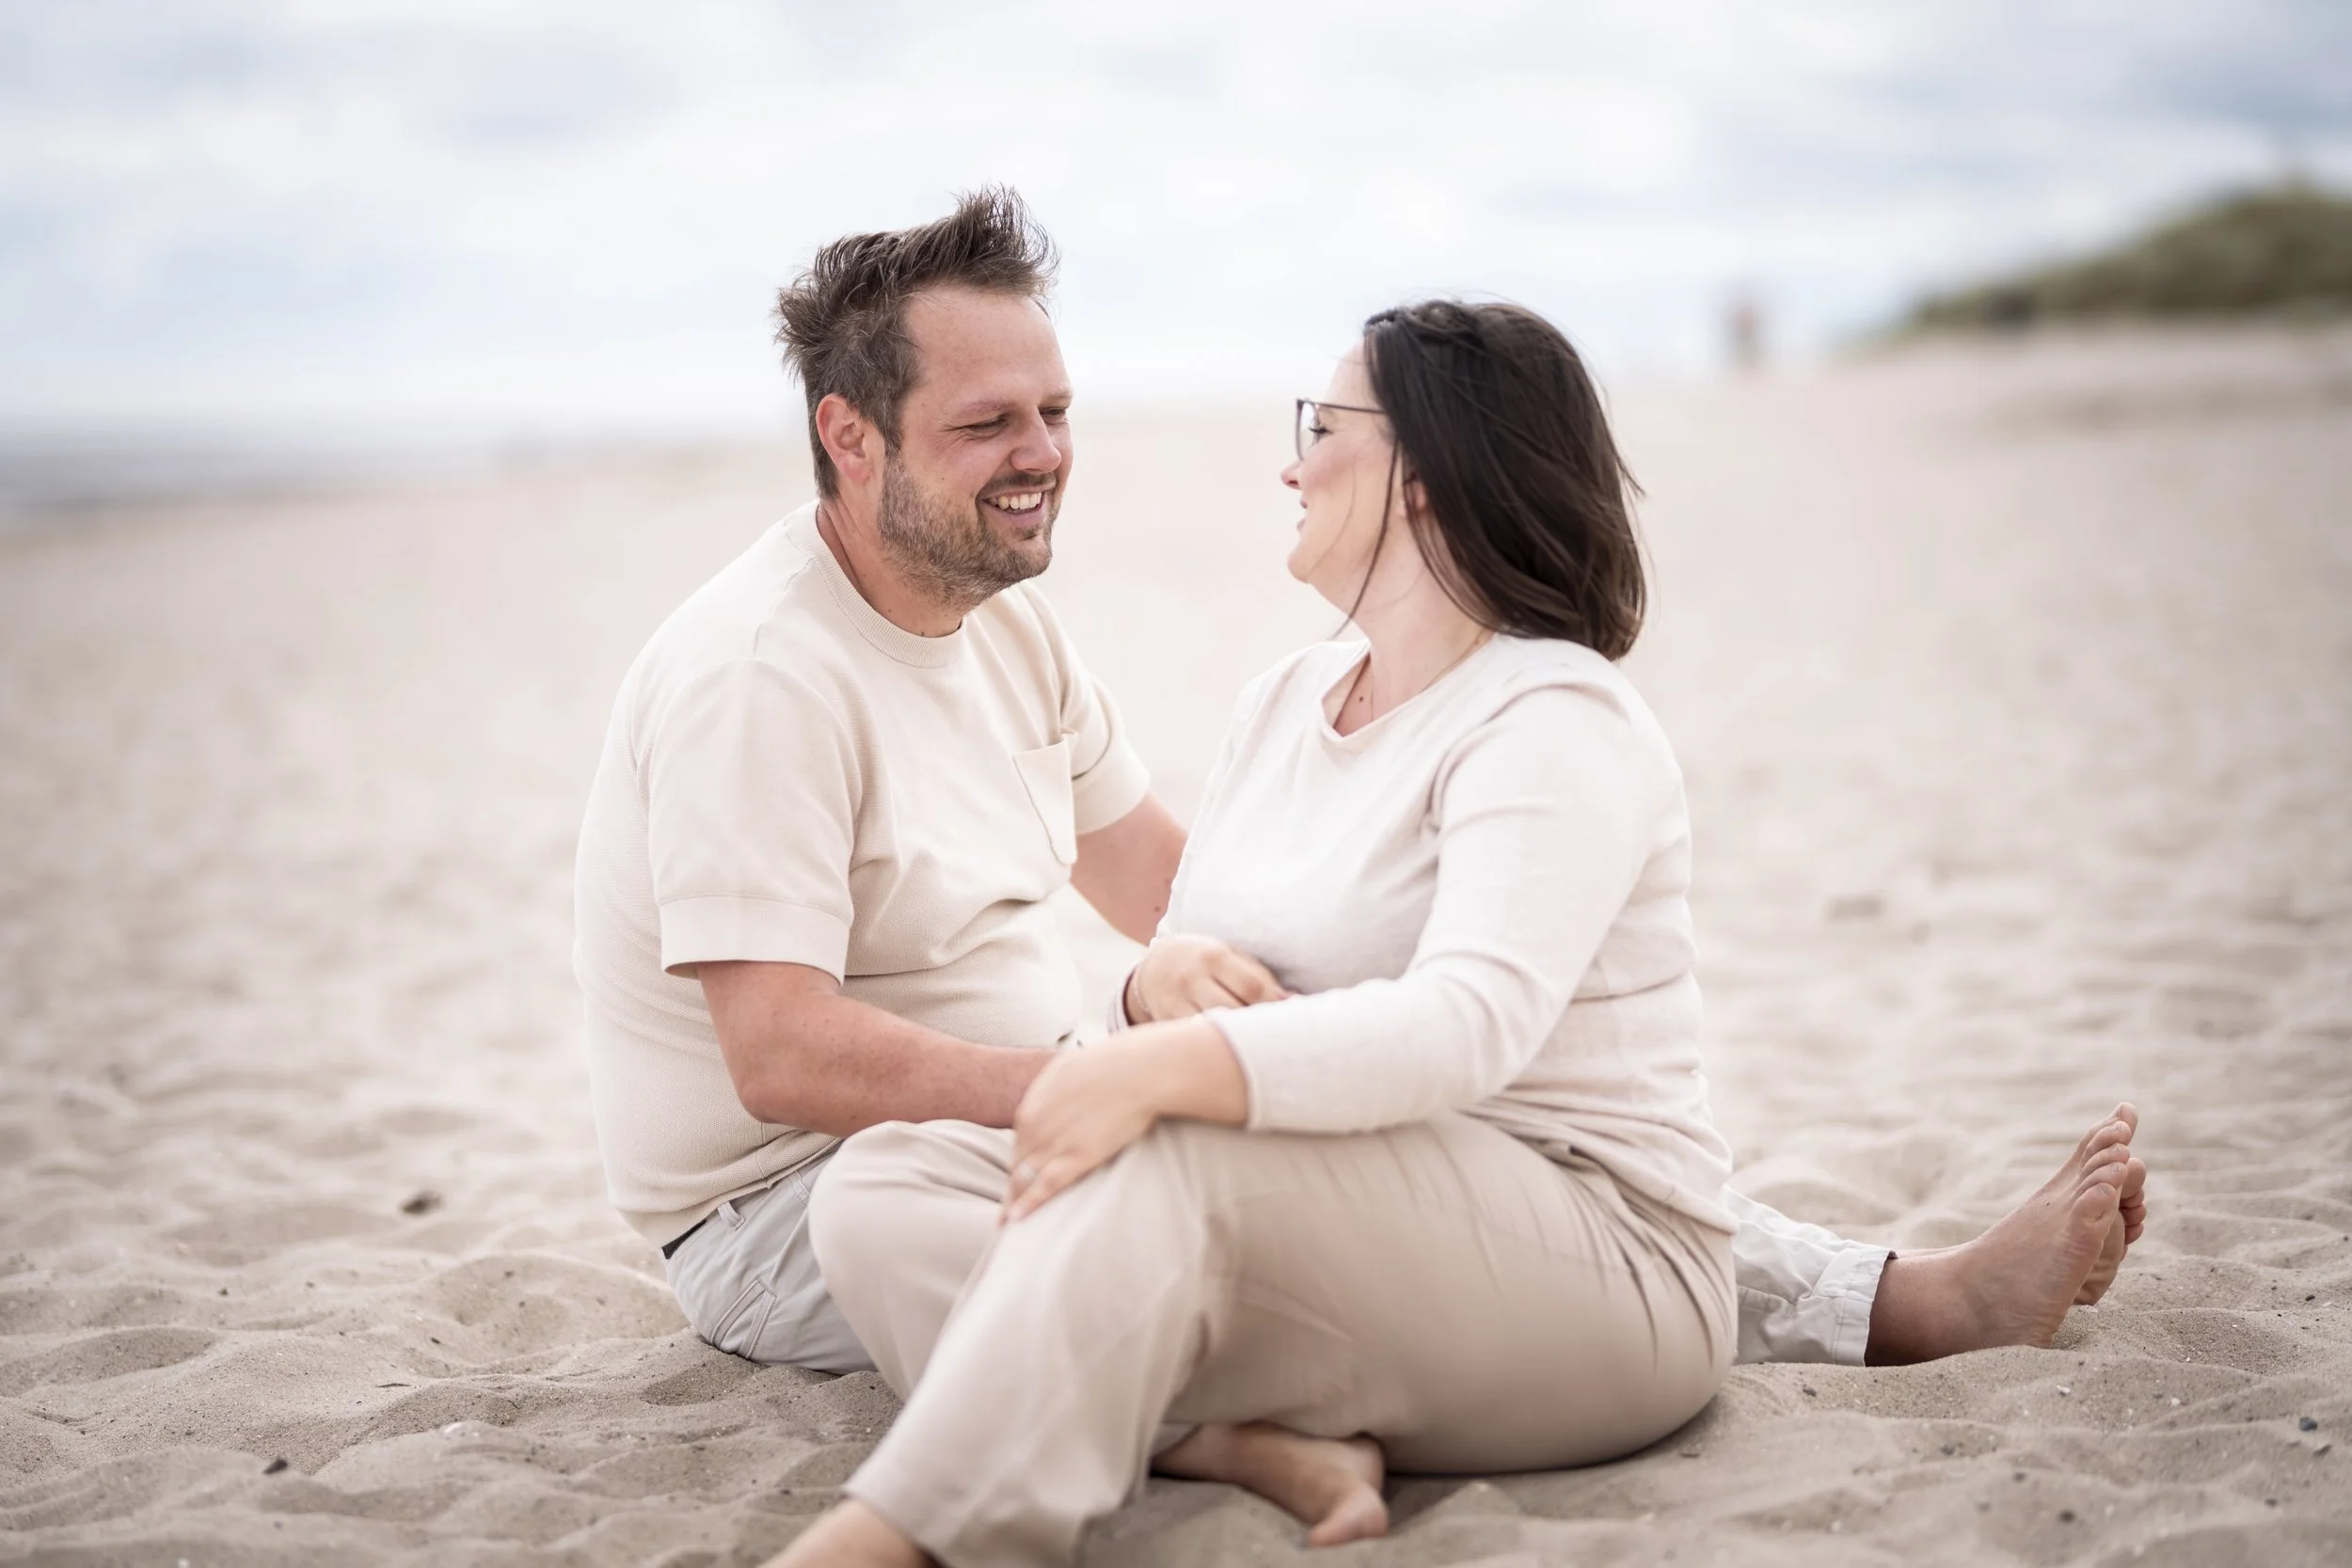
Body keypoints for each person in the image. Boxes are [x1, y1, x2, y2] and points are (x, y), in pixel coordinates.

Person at [568, 190, 2147, 1547]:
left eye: (1055, 409)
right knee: (947, 1189)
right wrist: (1114, 1063)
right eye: (990, 423)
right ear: (848, 437)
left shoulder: (1029, 633)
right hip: (792, 1189)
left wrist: (1170, 1014)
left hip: (1139, 1115)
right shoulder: (762, 673)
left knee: (1289, 1119)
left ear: (1424, 477)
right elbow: (776, 1052)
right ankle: (1217, 1437)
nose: (1045, 452)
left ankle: (1884, 1299)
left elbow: (1176, 893)